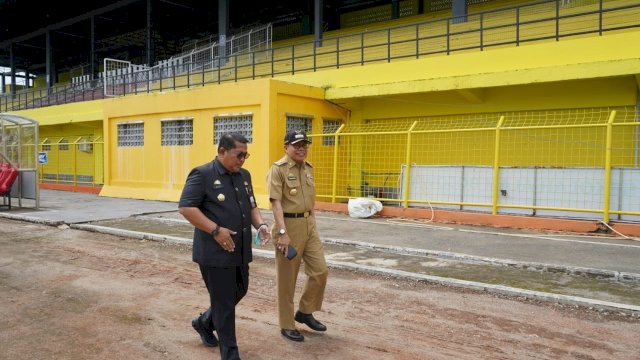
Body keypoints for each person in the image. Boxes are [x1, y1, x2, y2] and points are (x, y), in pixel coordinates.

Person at [179, 133, 270, 360]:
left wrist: (261, 225)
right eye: (239, 154)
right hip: (214, 253)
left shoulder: (243, 175)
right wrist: (215, 230)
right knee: (225, 305)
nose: (243, 159)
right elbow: (186, 208)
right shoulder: (203, 174)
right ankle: (230, 355)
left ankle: (203, 322)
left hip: (239, 250)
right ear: (222, 151)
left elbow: (251, 206)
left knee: (240, 291)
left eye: (245, 155)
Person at [267, 130, 329, 342]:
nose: (302, 148)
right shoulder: (278, 169)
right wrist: (282, 233)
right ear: (286, 147)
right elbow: (275, 203)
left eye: (305, 144)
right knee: (287, 280)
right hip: (288, 226)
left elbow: (310, 201)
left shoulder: (308, 169)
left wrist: (312, 224)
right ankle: (286, 324)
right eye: (297, 145)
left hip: (308, 225)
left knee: (320, 270)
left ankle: (304, 311)